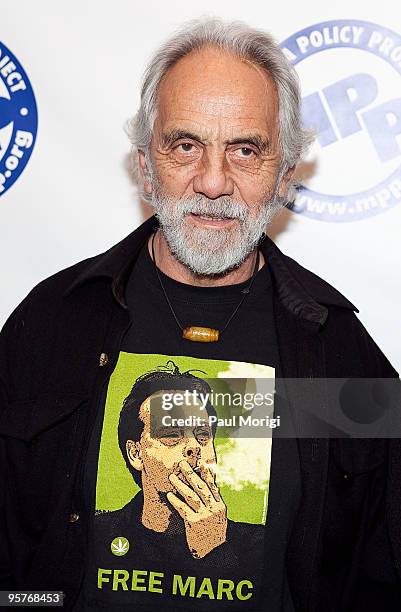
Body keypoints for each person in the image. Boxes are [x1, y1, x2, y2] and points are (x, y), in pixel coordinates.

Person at [0, 16, 400, 612]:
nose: (213, 182)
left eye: (245, 150)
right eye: (185, 145)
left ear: (285, 172)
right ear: (144, 163)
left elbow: (378, 571)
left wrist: (221, 550)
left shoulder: (336, 349)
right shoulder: (54, 322)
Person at [86, 363, 265, 610]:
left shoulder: (259, 544)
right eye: (171, 435)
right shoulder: (94, 534)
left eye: (203, 435)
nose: (193, 447)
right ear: (135, 453)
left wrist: (215, 551)